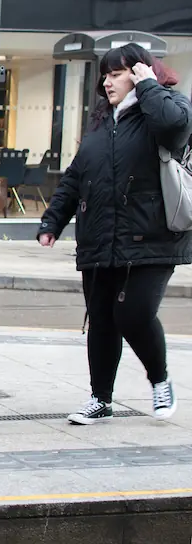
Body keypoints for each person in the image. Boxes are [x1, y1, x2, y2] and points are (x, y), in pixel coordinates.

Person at [38, 43, 192, 425]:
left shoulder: (165, 107)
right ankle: (100, 398)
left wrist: (150, 87)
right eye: (105, 75)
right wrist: (52, 221)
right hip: (100, 239)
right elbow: (76, 177)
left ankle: (160, 381)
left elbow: (175, 127)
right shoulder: (102, 123)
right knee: (103, 321)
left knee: (134, 314)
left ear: (140, 72)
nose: (107, 82)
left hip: (152, 238)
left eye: (117, 73)